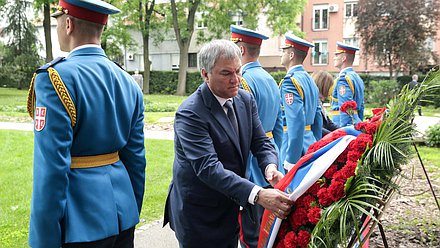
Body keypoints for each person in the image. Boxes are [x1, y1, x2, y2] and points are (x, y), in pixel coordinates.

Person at [26, 0, 146, 247]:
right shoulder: (127, 81)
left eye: (58, 20)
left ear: (68, 24)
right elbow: (136, 160)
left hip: (79, 223)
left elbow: (51, 169)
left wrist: (44, 239)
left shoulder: (54, 78)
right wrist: (129, 209)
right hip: (122, 214)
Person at [163, 40, 294, 248]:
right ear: (205, 74)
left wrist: (270, 167)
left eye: (238, 71)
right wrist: (258, 194)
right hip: (199, 214)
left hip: (229, 207)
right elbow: (208, 168)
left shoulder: (245, 99)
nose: (235, 80)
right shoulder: (190, 113)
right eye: (226, 73)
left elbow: (261, 142)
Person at [230, 24, 284, 248]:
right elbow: (279, 125)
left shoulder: (244, 81)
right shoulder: (270, 78)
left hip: (252, 166)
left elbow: (238, 128)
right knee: (265, 232)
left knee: (250, 235)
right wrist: (275, 158)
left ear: (240, 50)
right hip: (268, 163)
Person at [279, 33, 322, 171]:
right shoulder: (310, 80)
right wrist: (315, 145)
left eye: (284, 51)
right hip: (309, 143)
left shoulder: (290, 82)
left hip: (294, 148)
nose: (282, 54)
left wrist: (291, 158)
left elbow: (296, 121)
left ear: (291, 55)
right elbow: (318, 118)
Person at [331, 41, 365, 127]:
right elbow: (361, 106)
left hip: (342, 125)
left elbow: (345, 107)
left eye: (337, 55)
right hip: (356, 122)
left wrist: (344, 131)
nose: (334, 58)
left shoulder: (343, 79)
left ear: (343, 58)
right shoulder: (357, 78)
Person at [311, 70, 340, 136]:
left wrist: (344, 131)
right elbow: (315, 127)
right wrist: (333, 136)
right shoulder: (312, 102)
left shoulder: (318, 101)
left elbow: (328, 123)